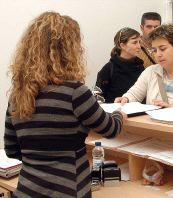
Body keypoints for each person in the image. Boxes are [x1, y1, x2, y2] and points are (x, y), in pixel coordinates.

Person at [4, 11, 126, 198]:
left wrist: (40, 158)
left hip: (27, 190)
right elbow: (110, 129)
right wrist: (119, 114)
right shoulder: (74, 92)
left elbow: (12, 149)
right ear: (68, 50)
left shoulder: (18, 94)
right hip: (68, 190)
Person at [115, 24, 173, 108]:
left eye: (162, 49)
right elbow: (135, 94)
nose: (158, 55)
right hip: (153, 127)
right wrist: (126, 99)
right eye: (154, 50)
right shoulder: (150, 72)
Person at [95, 27, 144, 103]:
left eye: (139, 42)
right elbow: (98, 98)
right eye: (134, 42)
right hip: (115, 113)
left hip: (140, 113)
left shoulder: (141, 67)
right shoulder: (108, 69)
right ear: (122, 45)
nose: (139, 46)